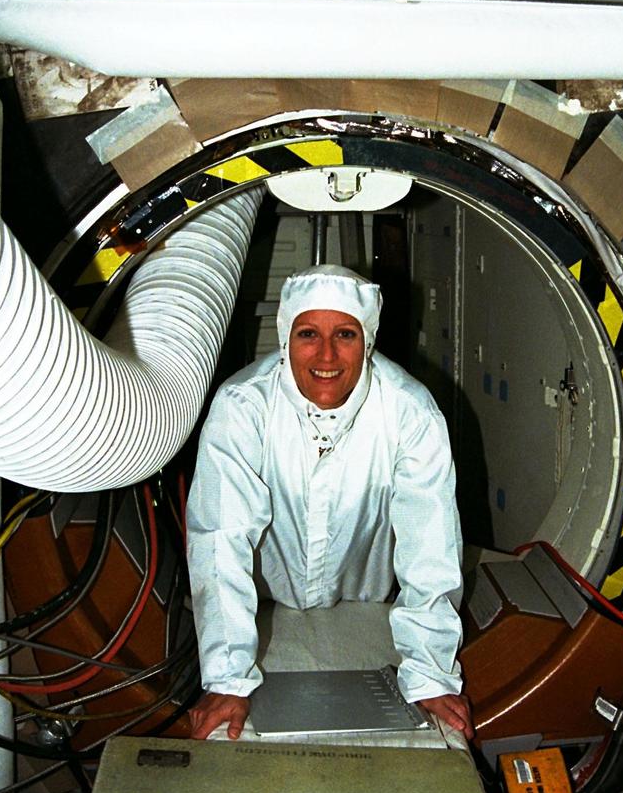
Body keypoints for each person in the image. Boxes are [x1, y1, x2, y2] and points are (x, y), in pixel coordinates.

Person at [185, 263, 473, 742]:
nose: (326, 355)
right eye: (308, 334)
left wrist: (430, 675)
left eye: (344, 334)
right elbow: (221, 539)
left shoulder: (410, 411)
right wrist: (229, 679)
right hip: (262, 606)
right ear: (285, 338)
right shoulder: (242, 406)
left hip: (364, 607)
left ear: (368, 340)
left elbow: (430, 544)